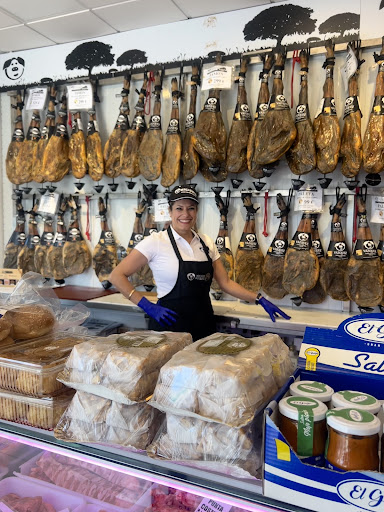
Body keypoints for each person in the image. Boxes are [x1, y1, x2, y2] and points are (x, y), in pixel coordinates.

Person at [110, 185, 290, 341]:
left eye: (191, 208)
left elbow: (225, 283)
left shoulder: (206, 243)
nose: (185, 214)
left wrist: (259, 299)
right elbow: (117, 276)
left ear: (196, 211)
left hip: (203, 326)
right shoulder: (156, 241)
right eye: (179, 208)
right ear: (170, 211)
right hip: (169, 328)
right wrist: (147, 306)